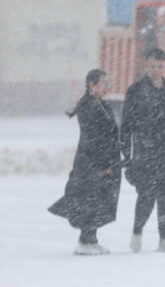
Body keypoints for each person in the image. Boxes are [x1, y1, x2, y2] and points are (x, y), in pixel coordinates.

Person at [121, 48, 165, 253]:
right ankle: (137, 231)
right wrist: (127, 155)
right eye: (152, 66)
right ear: (146, 65)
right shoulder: (136, 91)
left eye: (160, 66)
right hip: (145, 152)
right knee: (146, 194)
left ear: (164, 66)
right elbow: (126, 125)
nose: (156, 70)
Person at [49, 69, 122, 255]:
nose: (107, 87)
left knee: (100, 199)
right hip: (91, 161)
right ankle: (85, 241)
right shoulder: (88, 106)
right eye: (104, 83)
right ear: (92, 85)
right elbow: (94, 138)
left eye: (108, 83)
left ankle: (92, 239)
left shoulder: (101, 104)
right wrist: (104, 163)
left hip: (103, 159)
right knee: (90, 198)